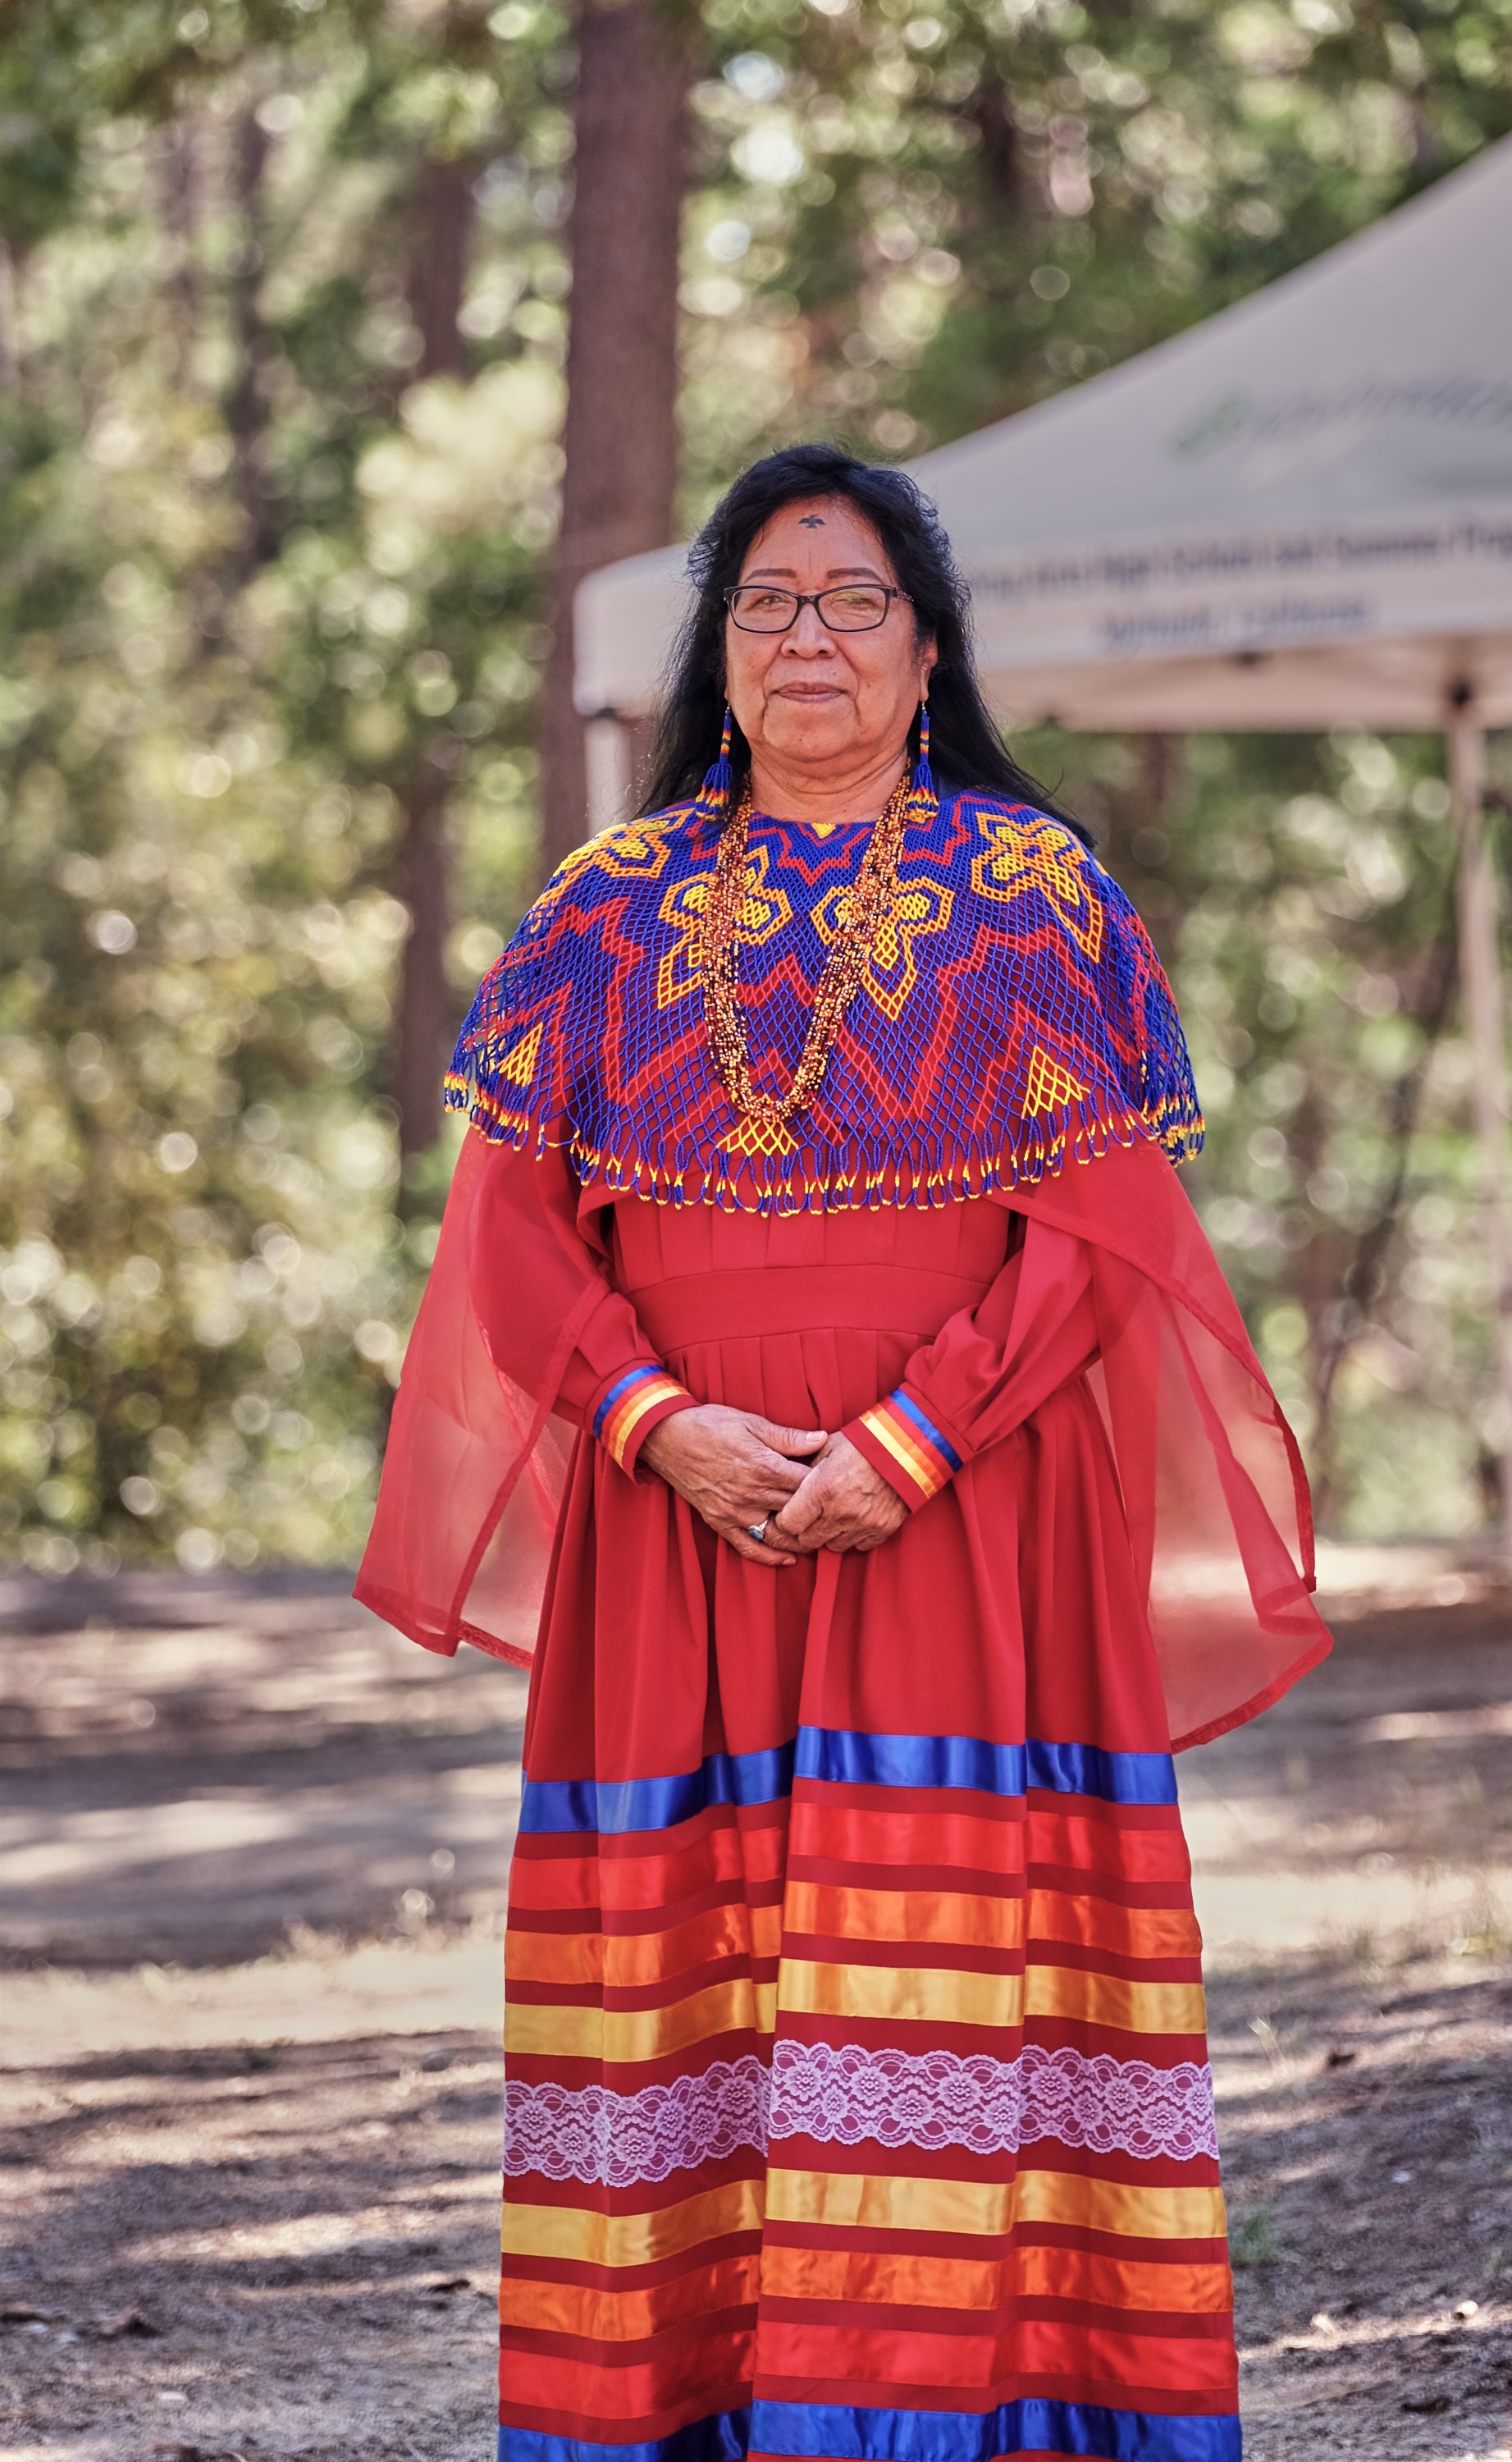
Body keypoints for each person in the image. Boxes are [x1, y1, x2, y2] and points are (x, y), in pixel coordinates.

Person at [358, 442, 1329, 2462]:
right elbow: (508, 1239)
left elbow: (1103, 1235)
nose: (809, 637)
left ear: (927, 646)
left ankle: (978, 2420)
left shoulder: (1035, 891)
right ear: (717, 653)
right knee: (685, 1994)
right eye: (768, 602)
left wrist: (912, 1436)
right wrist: (663, 1424)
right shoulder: (601, 915)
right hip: (678, 1523)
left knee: (951, 1977)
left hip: (965, 1514)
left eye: (853, 599)